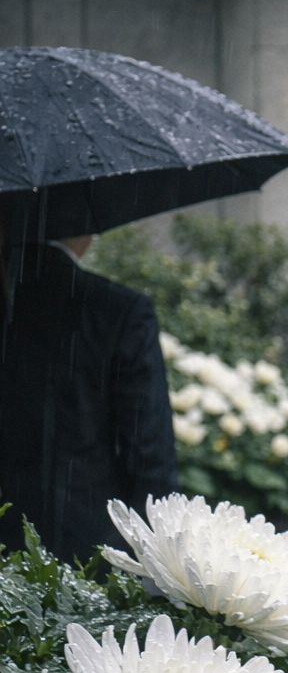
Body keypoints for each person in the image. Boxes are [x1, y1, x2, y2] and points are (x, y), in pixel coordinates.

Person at [0, 235, 179, 565]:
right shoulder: (115, 309)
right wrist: (164, 559)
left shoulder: (13, 295)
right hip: (80, 550)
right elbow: (148, 451)